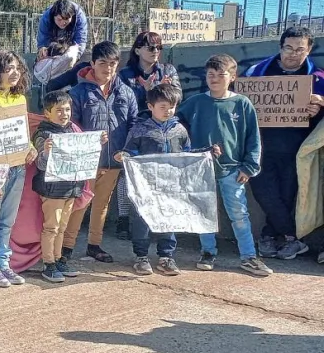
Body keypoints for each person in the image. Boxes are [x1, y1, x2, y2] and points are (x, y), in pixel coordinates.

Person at [177, 55, 273, 276]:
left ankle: (248, 256)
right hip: (201, 169)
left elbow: (253, 137)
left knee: (239, 214)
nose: (215, 79)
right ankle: (207, 252)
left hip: (233, 169)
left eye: (221, 75)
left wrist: (249, 166)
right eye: (211, 75)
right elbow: (175, 123)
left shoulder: (242, 103)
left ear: (232, 77)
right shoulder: (196, 102)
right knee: (204, 212)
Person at [114, 84, 216, 277]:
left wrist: (206, 153)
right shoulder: (139, 130)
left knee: (169, 219)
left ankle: (166, 256)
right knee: (142, 219)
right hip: (144, 187)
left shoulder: (180, 130)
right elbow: (131, 152)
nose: (168, 111)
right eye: (163, 107)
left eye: (172, 107)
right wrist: (124, 155)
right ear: (150, 106)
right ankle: (141, 257)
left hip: (171, 187)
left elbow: (187, 155)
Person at [243, 27, 323, 260]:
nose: (293, 54)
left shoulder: (319, 78)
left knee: (287, 195)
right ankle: (293, 238)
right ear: (280, 47)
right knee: (264, 192)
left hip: (298, 151)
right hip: (260, 146)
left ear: (309, 50)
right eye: (288, 48)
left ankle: (269, 236)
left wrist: (320, 104)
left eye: (300, 49)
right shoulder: (255, 72)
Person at [63, 41, 136, 264]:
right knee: (80, 203)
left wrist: (127, 151)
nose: (108, 68)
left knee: (102, 205)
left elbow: (133, 124)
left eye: (112, 63)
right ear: (93, 63)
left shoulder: (126, 92)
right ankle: (66, 248)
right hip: (86, 161)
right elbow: (71, 126)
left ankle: (94, 246)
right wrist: (89, 141)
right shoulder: (78, 93)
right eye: (103, 63)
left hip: (113, 160)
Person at [0, 50, 38, 287]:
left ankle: (5, 263)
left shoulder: (19, 99)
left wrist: (30, 147)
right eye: (8, 68)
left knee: (8, 220)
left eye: (17, 68)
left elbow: (22, 132)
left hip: (18, 167)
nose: (14, 73)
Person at [114, 31, 182, 241]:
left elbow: (177, 97)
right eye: (151, 47)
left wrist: (159, 89)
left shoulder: (168, 70)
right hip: (135, 126)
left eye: (159, 48)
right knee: (127, 173)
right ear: (137, 50)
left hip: (162, 128)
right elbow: (122, 101)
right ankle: (124, 218)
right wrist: (146, 91)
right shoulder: (125, 74)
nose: (156, 51)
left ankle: (156, 221)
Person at [32, 91, 105, 282]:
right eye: (58, 110)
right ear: (47, 113)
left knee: (62, 227)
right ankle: (48, 263)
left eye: (67, 109)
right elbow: (40, 164)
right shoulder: (43, 134)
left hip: (71, 187)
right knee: (51, 227)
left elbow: (85, 154)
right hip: (52, 190)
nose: (64, 114)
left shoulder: (73, 130)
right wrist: (45, 152)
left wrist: (96, 144)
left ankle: (58, 260)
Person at [37, 0, 89, 67]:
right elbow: (43, 39)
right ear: (53, 16)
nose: (63, 23)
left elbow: (81, 40)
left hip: (71, 40)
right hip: (53, 38)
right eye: (59, 19)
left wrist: (75, 56)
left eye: (66, 19)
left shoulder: (80, 17)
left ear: (72, 16)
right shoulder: (46, 17)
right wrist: (43, 49)